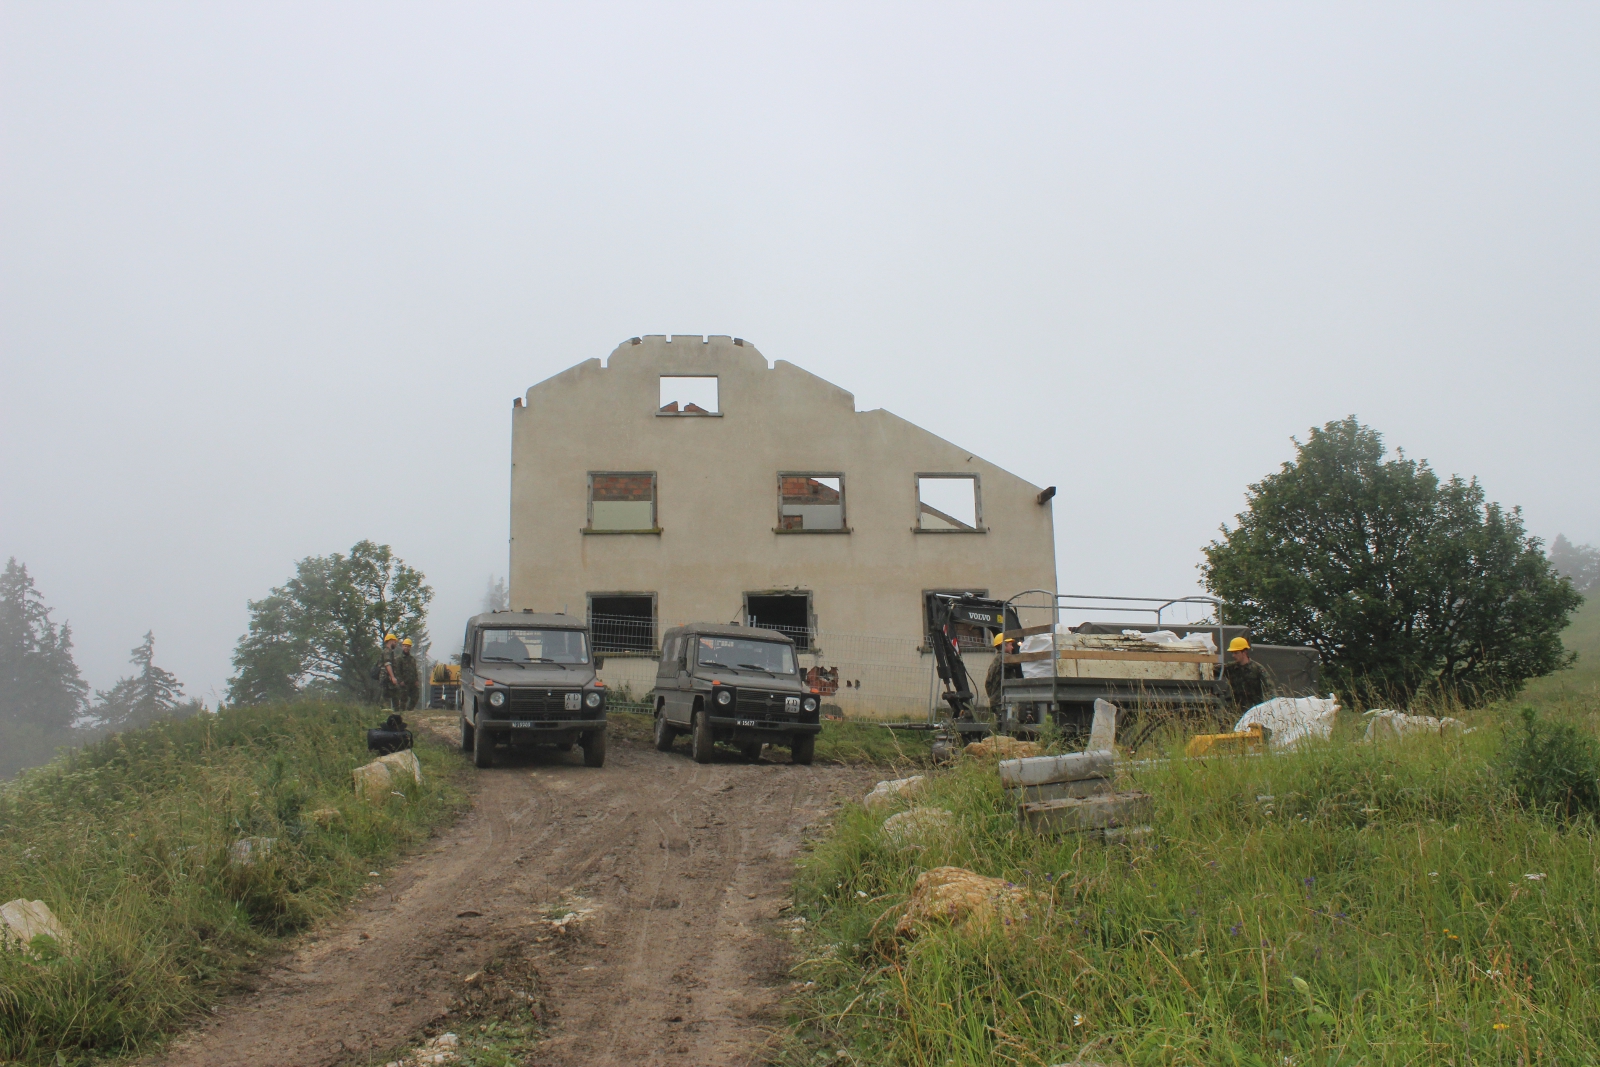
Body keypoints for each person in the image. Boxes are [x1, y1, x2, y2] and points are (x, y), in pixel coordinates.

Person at [1221, 636, 1272, 712]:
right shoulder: (1230, 668)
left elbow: (1270, 690)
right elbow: (1211, 669)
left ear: (1244, 652)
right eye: (1232, 653)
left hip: (1254, 711)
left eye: (1236, 653)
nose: (1233, 655)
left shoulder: (1258, 669)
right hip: (1235, 711)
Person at [985, 632, 1023, 710]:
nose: (1012, 647)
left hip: (996, 701)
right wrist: (1025, 650)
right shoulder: (1004, 658)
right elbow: (1018, 661)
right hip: (1002, 701)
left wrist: (992, 697)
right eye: (1010, 645)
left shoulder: (997, 659)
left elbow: (987, 683)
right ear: (1003, 645)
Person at [379, 633, 403, 712]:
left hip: (388, 678)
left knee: (395, 693)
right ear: (391, 641)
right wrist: (392, 677)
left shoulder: (390, 652)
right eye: (395, 642)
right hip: (386, 678)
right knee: (385, 696)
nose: (396, 644)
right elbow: (387, 664)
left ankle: (396, 712)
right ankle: (384, 712)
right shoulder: (387, 651)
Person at [400, 638, 420, 710]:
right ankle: (401, 712)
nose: (406, 648)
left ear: (410, 647)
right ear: (402, 647)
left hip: (412, 682)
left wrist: (416, 680)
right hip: (404, 683)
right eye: (405, 646)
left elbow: (415, 670)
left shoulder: (412, 659)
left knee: (415, 696)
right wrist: (400, 680)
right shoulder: (399, 659)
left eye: (408, 646)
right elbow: (397, 671)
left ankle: (409, 710)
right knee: (403, 699)